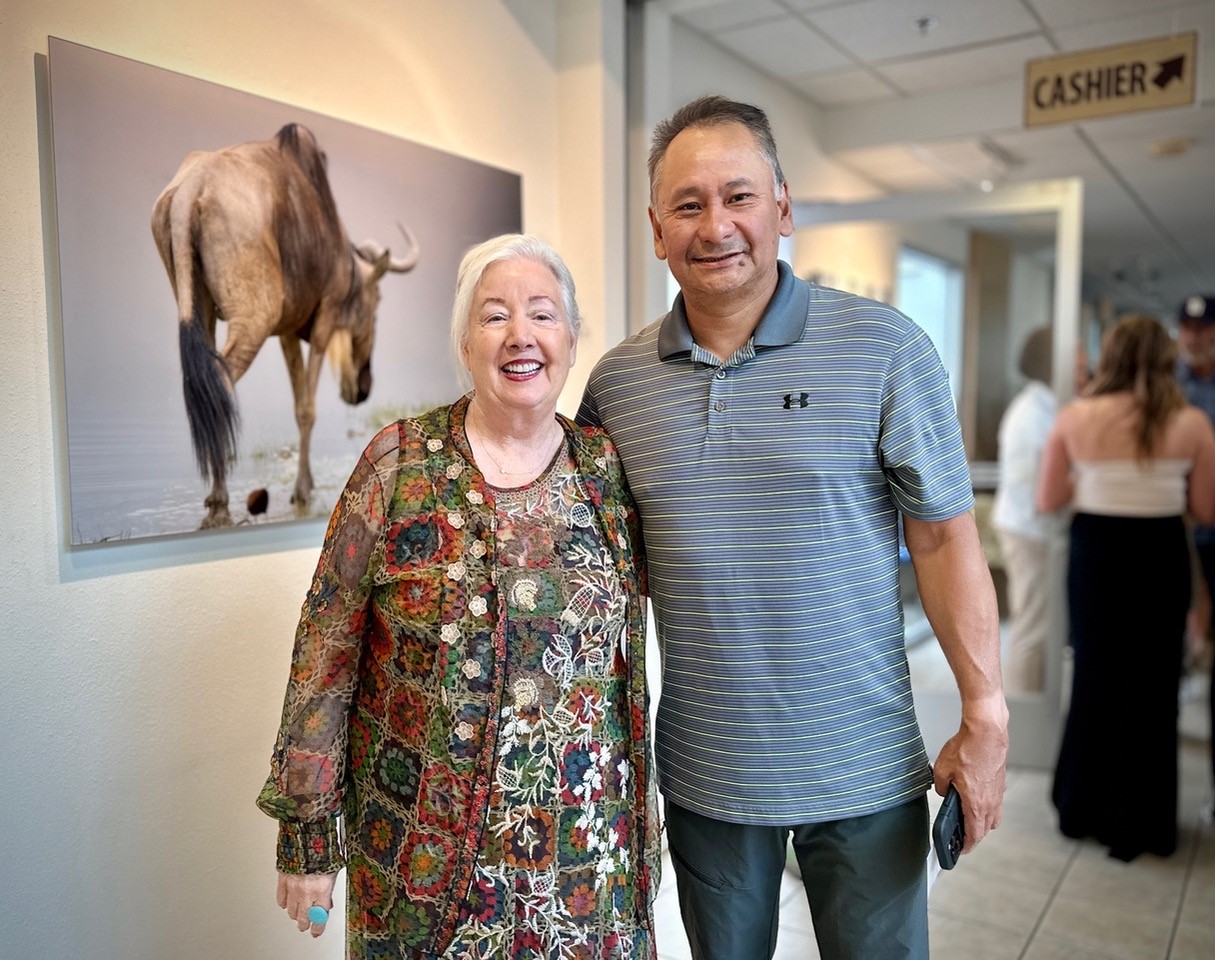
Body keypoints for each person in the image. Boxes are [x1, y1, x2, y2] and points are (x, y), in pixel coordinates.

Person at [578, 95, 1008, 960]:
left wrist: (985, 715)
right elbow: (597, 571)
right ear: (656, 230)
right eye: (687, 205)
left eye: (738, 196)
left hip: (863, 765)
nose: (715, 226)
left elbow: (942, 539)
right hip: (707, 772)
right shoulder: (617, 388)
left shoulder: (885, 349)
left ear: (782, 206)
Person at [257, 234, 660, 959]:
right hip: (423, 866)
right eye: (494, 315)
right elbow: (325, 649)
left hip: (587, 862)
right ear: (466, 344)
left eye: (542, 314)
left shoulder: (606, 468)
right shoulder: (398, 463)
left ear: (571, 340)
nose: (520, 335)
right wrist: (308, 838)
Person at [1038, 314, 1215, 861]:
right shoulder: (1192, 423)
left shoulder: (1075, 417)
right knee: (1155, 686)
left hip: (1097, 552)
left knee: (1095, 675)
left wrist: (1095, 478)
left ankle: (1080, 809)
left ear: (1109, 357)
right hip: (1160, 554)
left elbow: (1048, 500)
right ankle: (1142, 822)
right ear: (1166, 360)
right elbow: (1207, 508)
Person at [993, 327, 1061, 693]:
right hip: (1028, 530)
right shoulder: (1032, 413)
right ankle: (1023, 711)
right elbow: (1042, 488)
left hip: (1031, 526)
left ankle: (1033, 705)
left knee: (1037, 625)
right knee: (1032, 628)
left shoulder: (1046, 406)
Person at [1176, 293, 1215, 813]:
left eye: (1203, 331)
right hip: (1182, 532)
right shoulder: (1169, 383)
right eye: (1187, 330)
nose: (1194, 340)